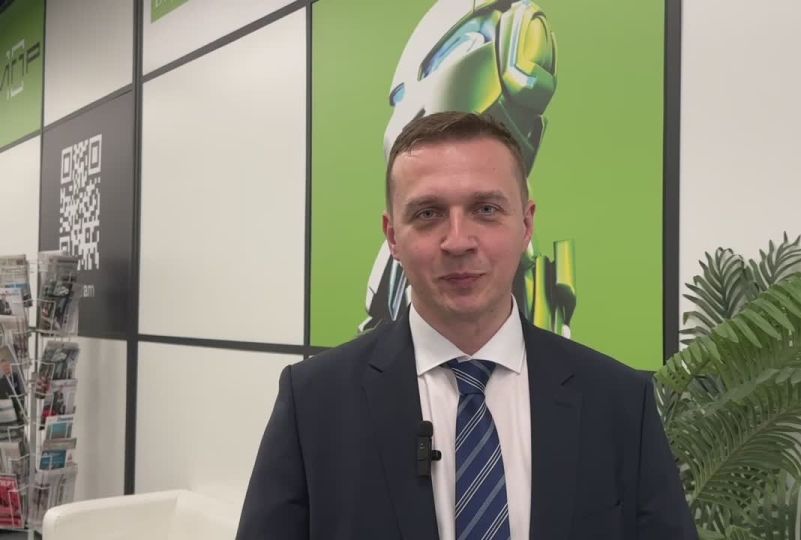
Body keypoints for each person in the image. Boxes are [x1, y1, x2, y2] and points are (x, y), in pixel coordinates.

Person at [237, 112, 697, 539]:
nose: (458, 241)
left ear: (526, 224)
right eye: (428, 214)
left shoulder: (619, 402)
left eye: (486, 209)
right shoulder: (313, 403)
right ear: (393, 236)